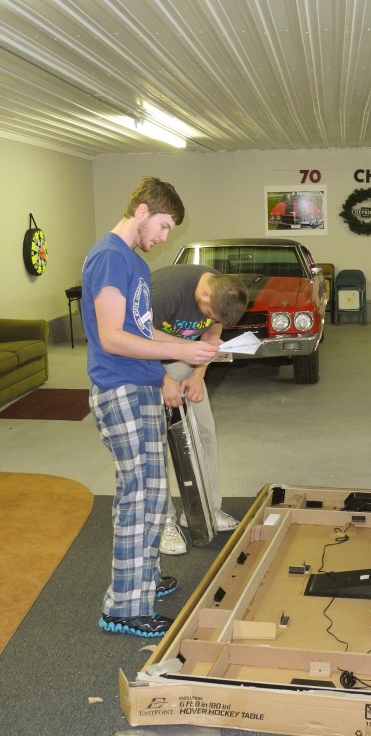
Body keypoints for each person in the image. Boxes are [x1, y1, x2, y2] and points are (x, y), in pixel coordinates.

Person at [82, 177, 220, 638]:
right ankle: (123, 607)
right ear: (142, 211)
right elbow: (112, 338)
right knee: (139, 499)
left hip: (141, 385)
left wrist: (188, 350)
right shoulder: (108, 257)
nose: (164, 238)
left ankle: (141, 579)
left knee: (150, 494)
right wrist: (181, 353)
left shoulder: (135, 265)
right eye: (163, 226)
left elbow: (142, 333)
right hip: (119, 389)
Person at [151, 264, 248, 555]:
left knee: (204, 432)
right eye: (206, 313)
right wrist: (162, 380)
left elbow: (212, 334)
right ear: (204, 292)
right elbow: (136, 337)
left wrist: (197, 375)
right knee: (154, 444)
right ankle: (163, 522)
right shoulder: (166, 293)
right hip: (146, 362)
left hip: (185, 360)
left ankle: (205, 509)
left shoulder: (220, 293)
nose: (207, 318)